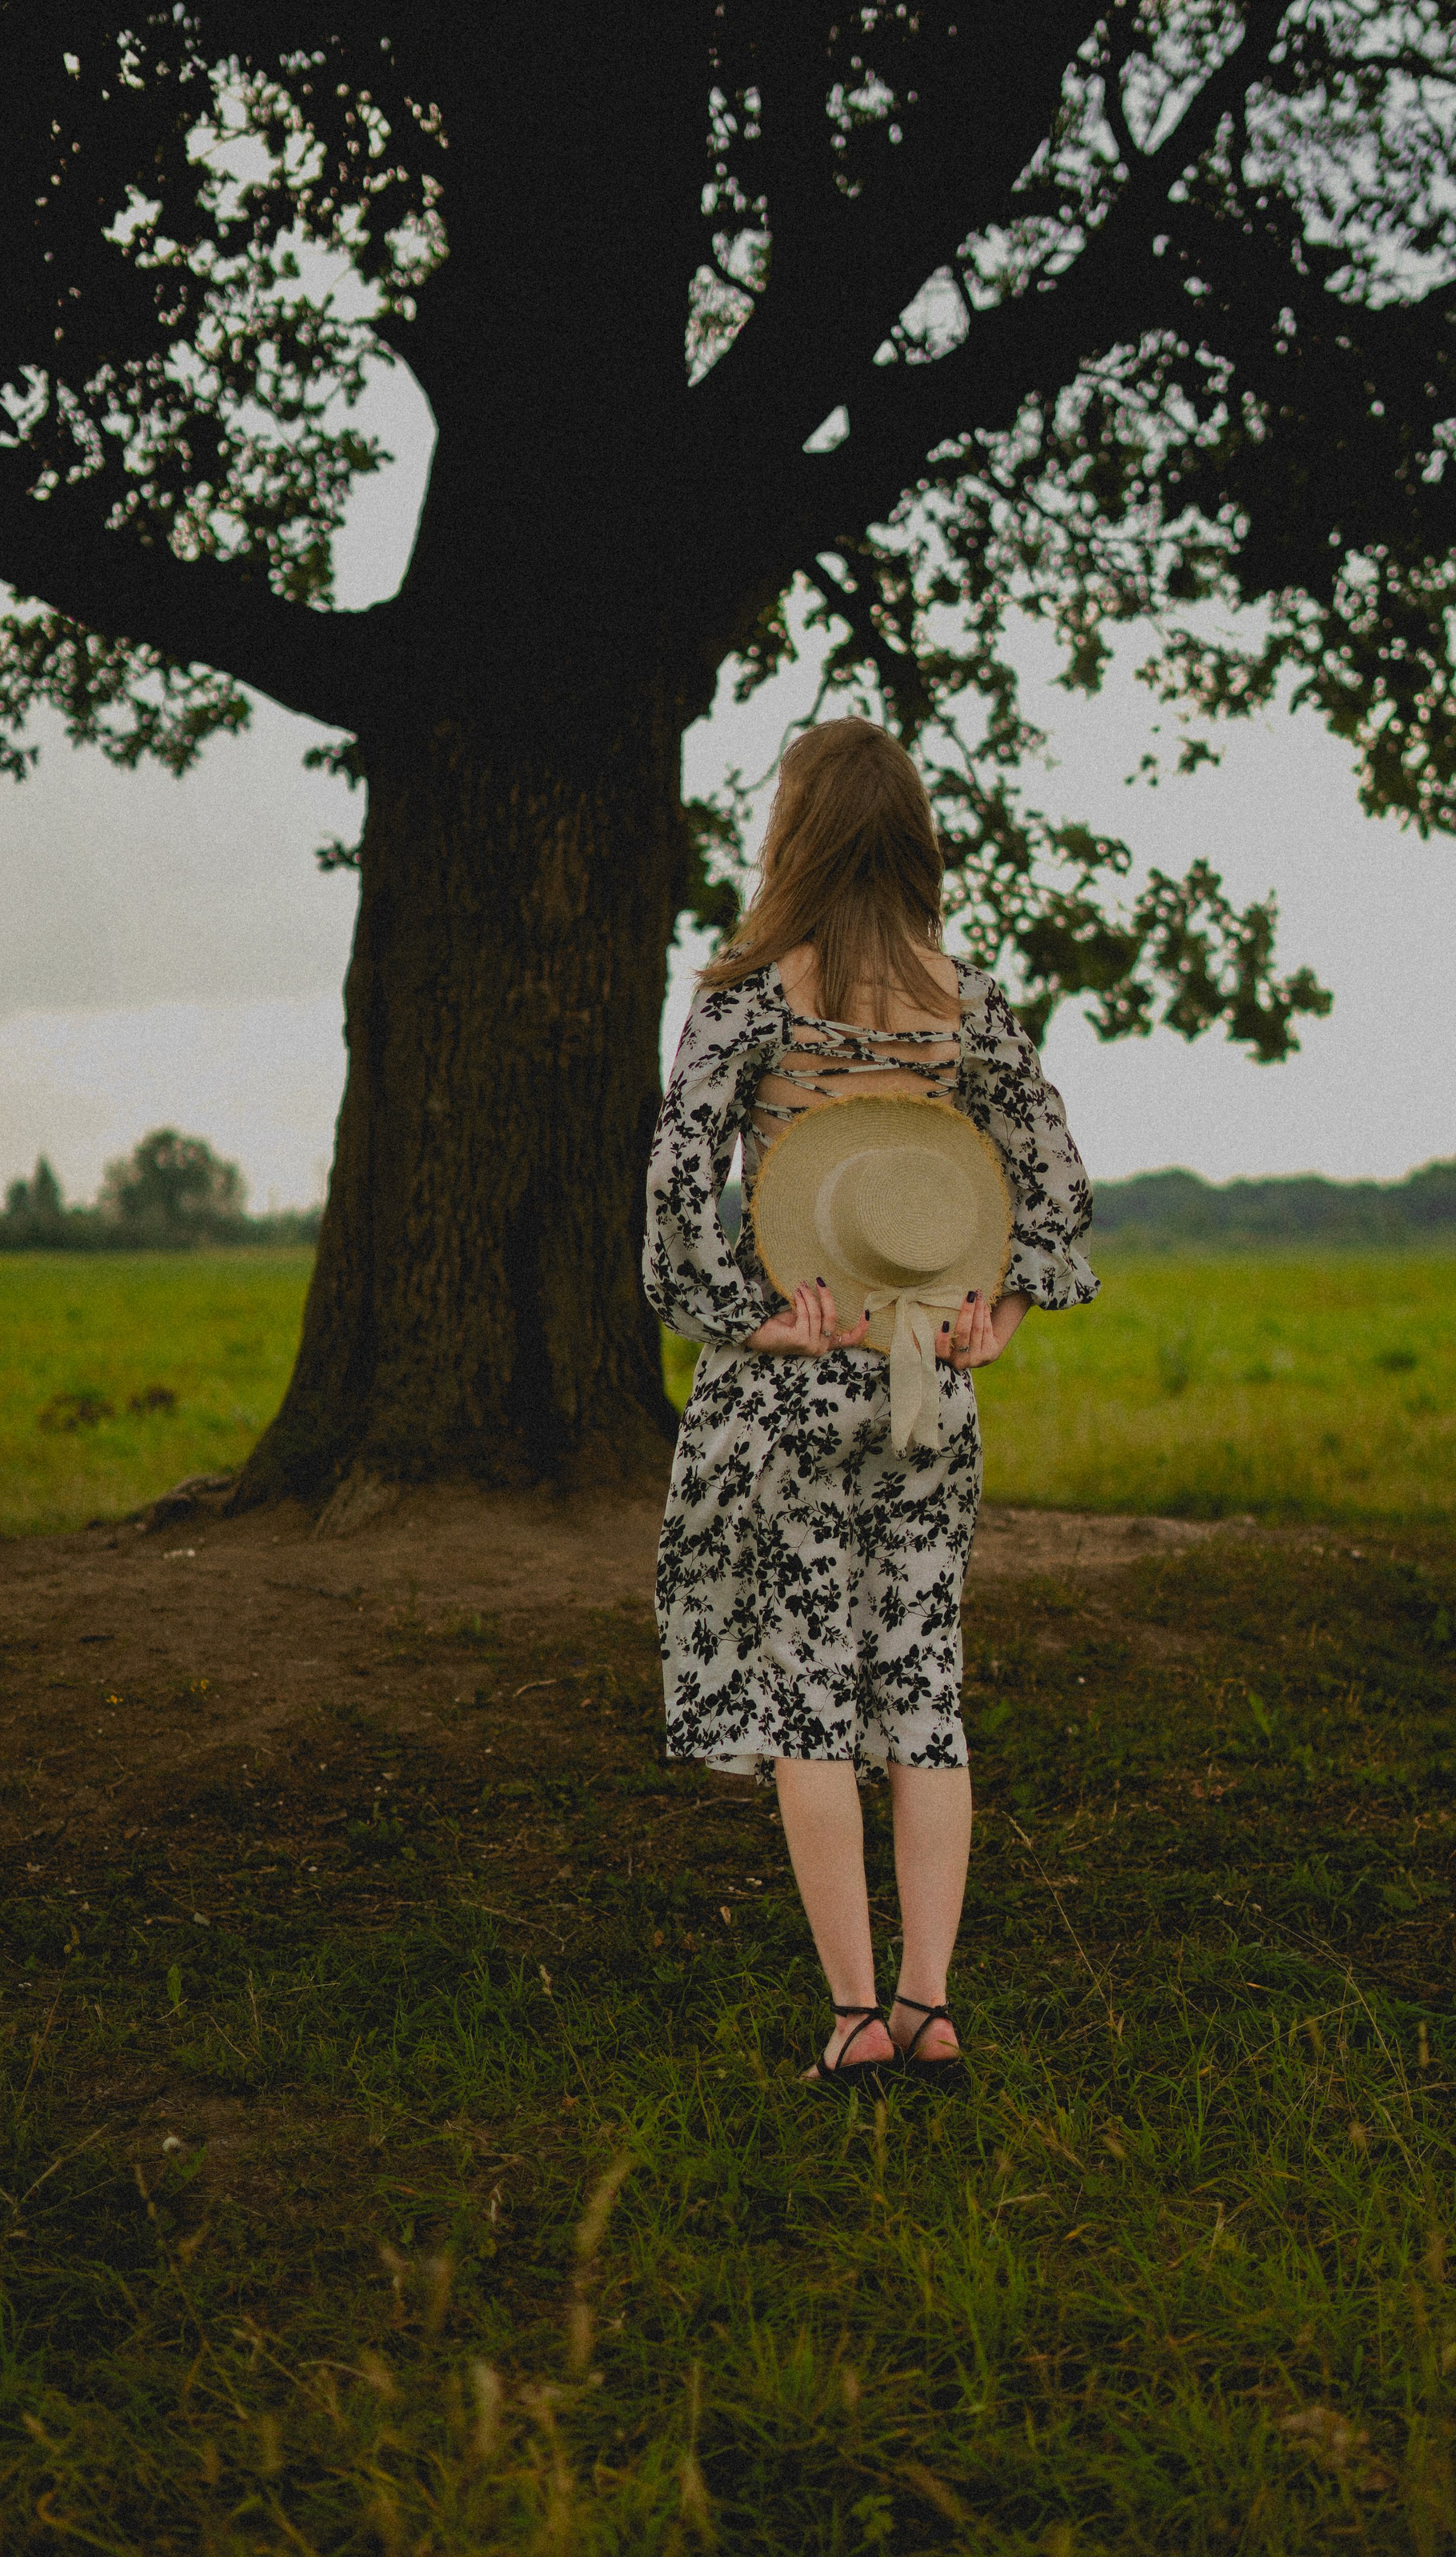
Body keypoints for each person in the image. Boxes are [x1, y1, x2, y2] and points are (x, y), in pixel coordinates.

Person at [642, 718, 1098, 2083]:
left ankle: (852, 2021)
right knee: (925, 1689)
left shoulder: (744, 998)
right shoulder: (967, 1000)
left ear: (797, 836)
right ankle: (931, 2005)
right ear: (910, 837)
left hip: (793, 1393)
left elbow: (674, 1196)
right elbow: (1056, 1181)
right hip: (926, 1391)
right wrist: (996, 1319)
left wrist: (751, 1316)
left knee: (809, 1701)